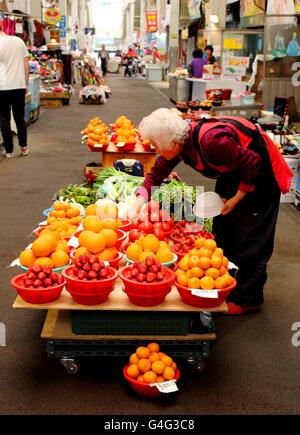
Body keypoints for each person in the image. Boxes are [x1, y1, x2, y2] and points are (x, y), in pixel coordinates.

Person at [131, 109, 292, 315]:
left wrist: (237, 197)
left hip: (260, 174)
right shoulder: (178, 143)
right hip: (235, 168)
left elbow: (253, 163)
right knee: (224, 226)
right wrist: (139, 200)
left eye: (157, 146)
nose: (156, 150)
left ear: (173, 143)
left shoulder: (213, 142)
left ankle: (249, 299)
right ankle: (227, 283)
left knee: (251, 236)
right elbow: (157, 172)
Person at [0, 23, 30, 158]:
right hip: (19, 85)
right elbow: (26, 64)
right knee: (19, 117)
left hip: (2, 87)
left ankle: (9, 151)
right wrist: (26, 84)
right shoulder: (19, 41)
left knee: (4, 118)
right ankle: (24, 147)